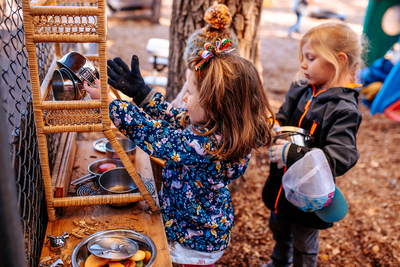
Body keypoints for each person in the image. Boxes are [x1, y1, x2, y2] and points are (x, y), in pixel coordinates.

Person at [85, 38, 275, 267]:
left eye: (191, 92)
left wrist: (110, 105)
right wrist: (142, 93)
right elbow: (176, 117)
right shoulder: (216, 130)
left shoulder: (206, 147)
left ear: (216, 106)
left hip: (194, 242)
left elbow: (155, 135)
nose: (185, 97)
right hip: (191, 226)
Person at [261, 21, 364, 267]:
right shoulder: (301, 89)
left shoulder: (344, 110)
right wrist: (271, 126)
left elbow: (341, 157)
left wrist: (294, 153)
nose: (303, 64)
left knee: (304, 242)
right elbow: (284, 118)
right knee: (279, 226)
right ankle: (279, 261)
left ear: (338, 60)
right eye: (303, 57)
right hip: (281, 183)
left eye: (311, 58)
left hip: (310, 195)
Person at [171, 2, 239, 108]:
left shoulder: (198, 37)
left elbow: (188, 59)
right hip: (222, 86)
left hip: (196, 82)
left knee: (182, 105)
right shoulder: (231, 39)